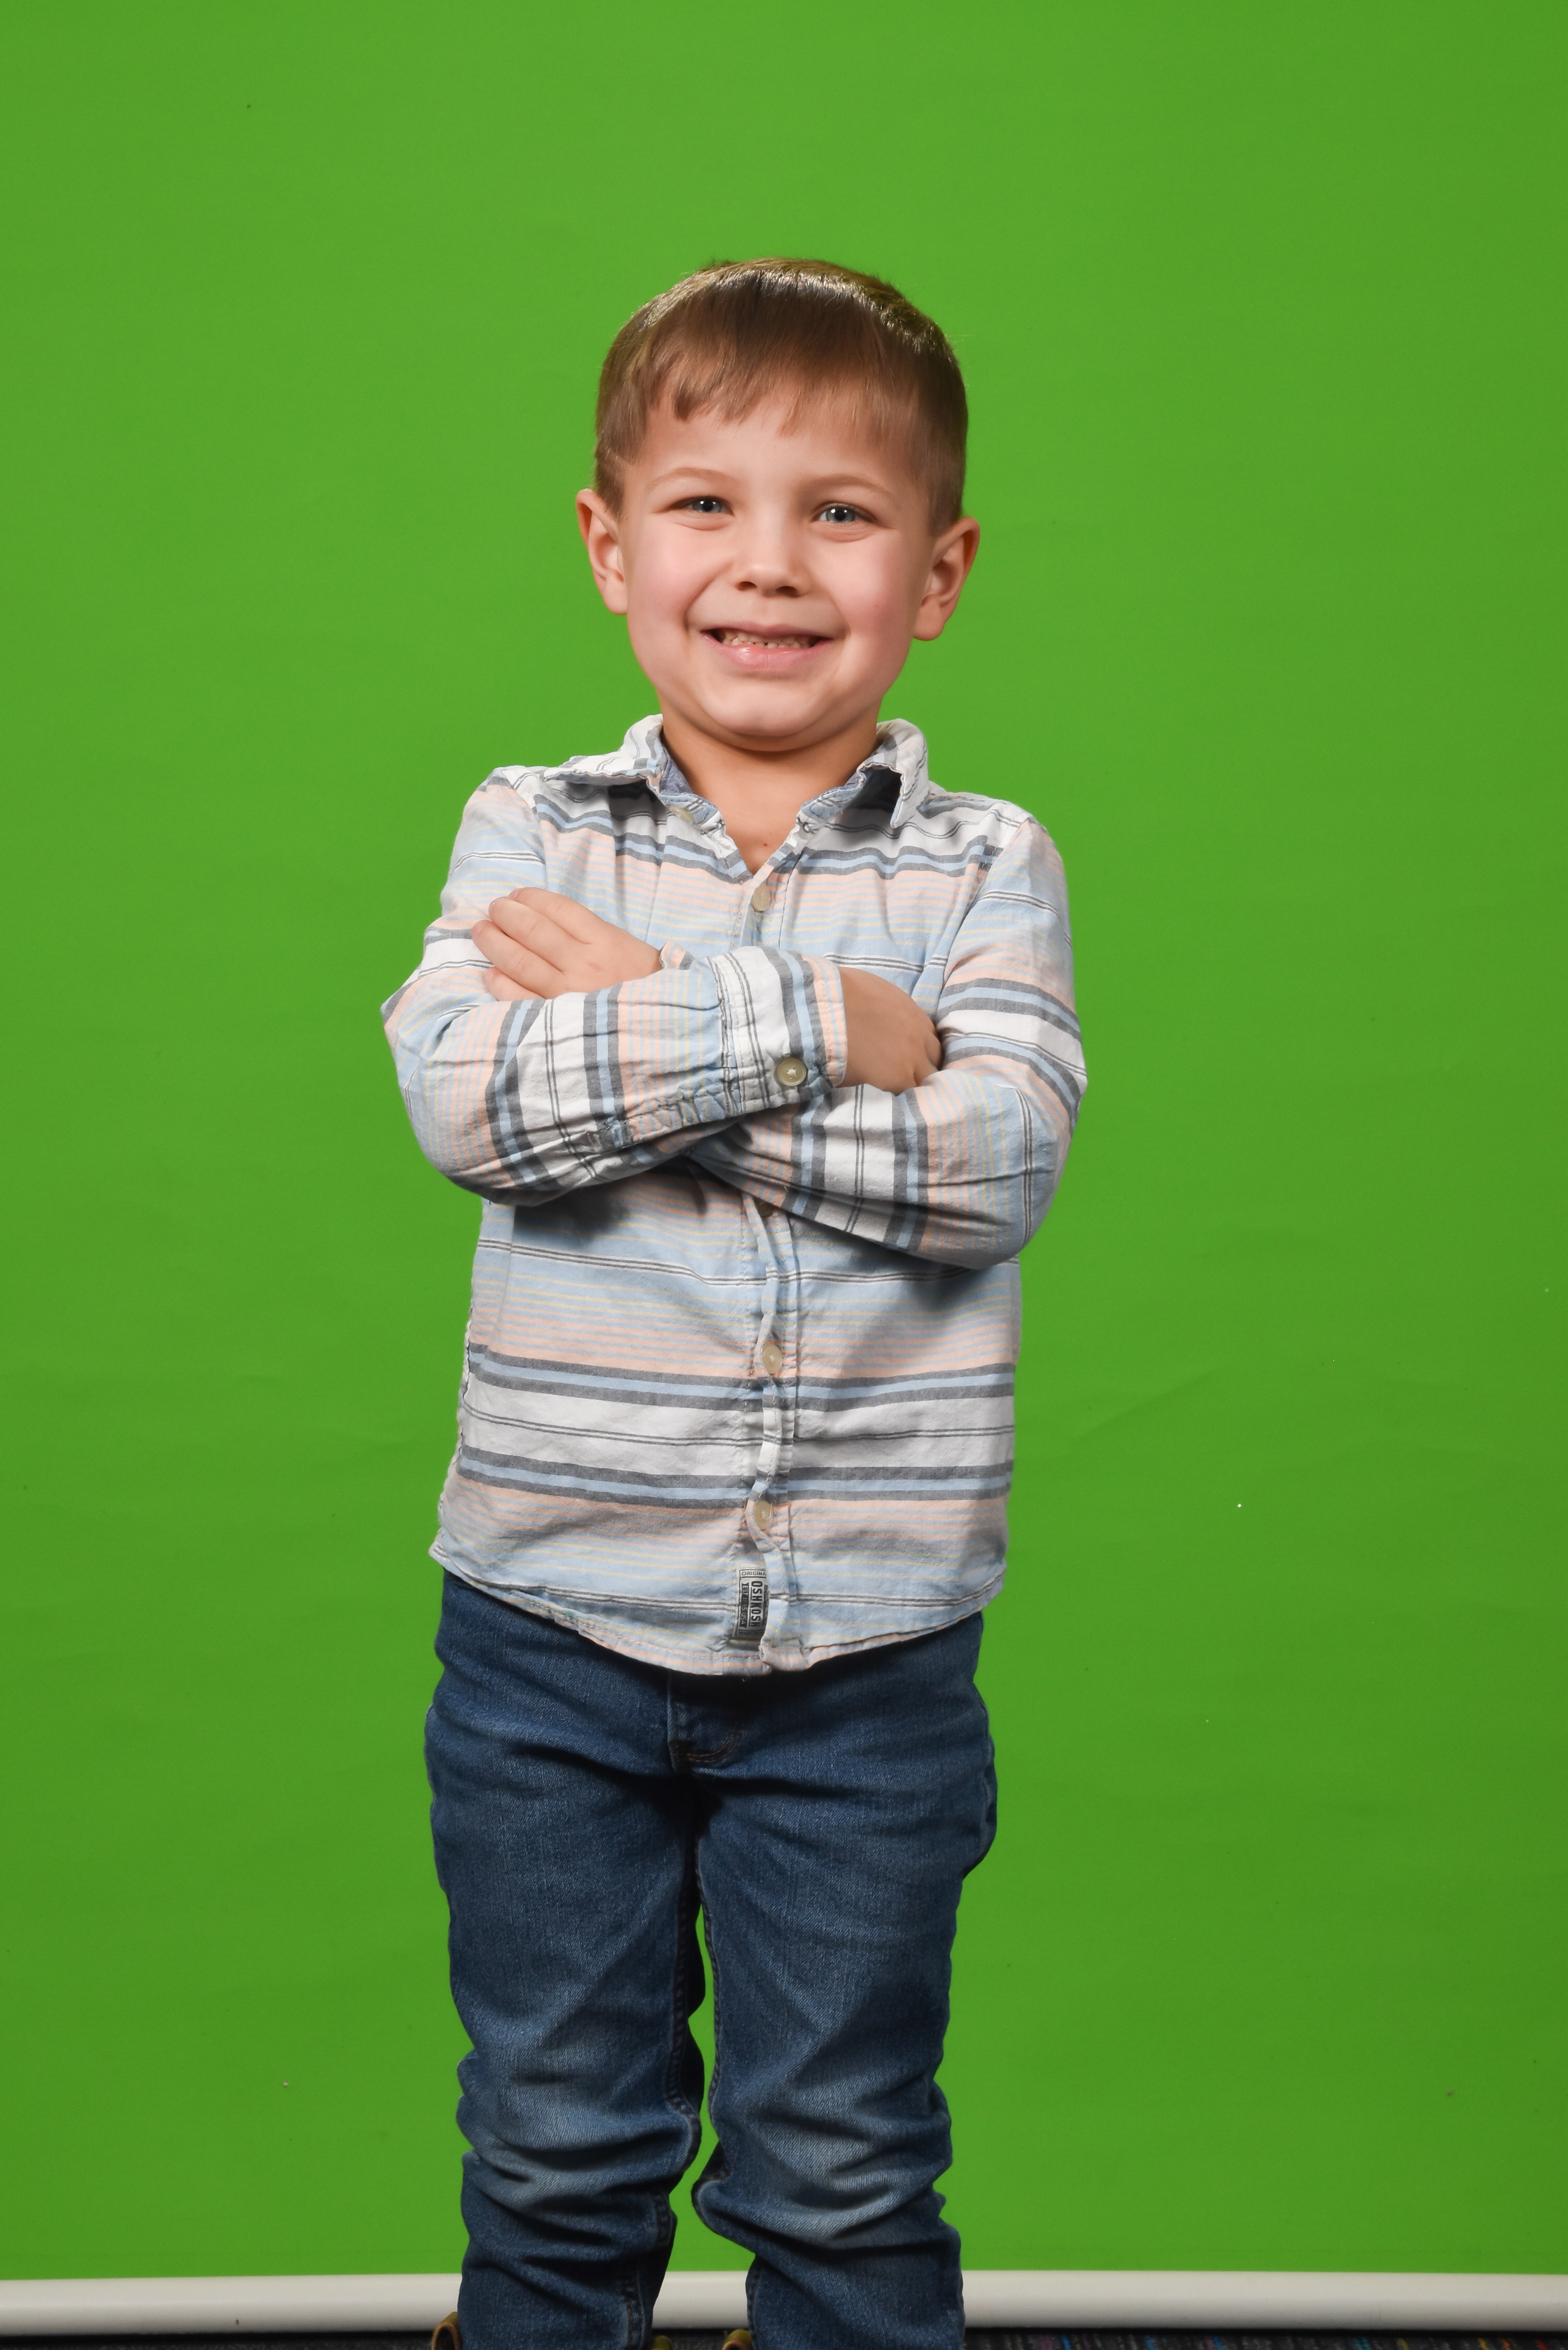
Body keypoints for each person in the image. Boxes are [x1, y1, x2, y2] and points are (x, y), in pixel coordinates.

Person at [383, 257, 1087, 2350]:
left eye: (840, 513)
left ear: (936, 571)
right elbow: (474, 1105)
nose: (769, 564)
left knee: (845, 2157)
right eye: (705, 504)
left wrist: (654, 1022)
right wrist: (828, 1021)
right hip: (547, 1635)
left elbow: (990, 1170)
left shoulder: (985, 866)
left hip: (872, 1656)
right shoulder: (532, 828)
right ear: (613, 547)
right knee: (554, 2147)